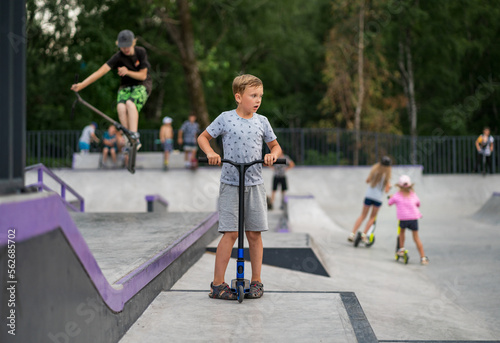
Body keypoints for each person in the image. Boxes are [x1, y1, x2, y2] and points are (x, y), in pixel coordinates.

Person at [197, 74, 282, 300]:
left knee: (254, 234)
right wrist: (211, 153)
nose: (258, 100)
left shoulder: (262, 121)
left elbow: (275, 147)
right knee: (231, 232)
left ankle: (256, 281)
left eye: (260, 96)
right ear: (238, 97)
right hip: (231, 183)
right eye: (253, 95)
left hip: (254, 183)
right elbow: (203, 138)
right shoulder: (225, 119)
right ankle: (217, 284)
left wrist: (272, 156)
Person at [71, 29, 152, 150]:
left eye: (127, 46)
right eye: (122, 47)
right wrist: (82, 85)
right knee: (120, 107)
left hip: (142, 85)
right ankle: (127, 137)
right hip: (125, 87)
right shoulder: (118, 57)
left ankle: (134, 135)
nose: (125, 49)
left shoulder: (141, 52)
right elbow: (100, 71)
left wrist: (127, 71)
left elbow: (143, 75)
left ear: (133, 43)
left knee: (130, 104)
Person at [348, 156, 392, 243]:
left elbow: (367, 181)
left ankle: (352, 234)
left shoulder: (374, 171)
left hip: (369, 196)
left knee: (363, 215)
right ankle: (364, 235)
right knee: (372, 217)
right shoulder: (386, 176)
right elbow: (386, 191)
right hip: (377, 199)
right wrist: (389, 187)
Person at [388, 175, 429, 265]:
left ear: (399, 186)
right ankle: (423, 258)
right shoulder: (413, 194)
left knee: (402, 233)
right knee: (416, 238)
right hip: (413, 218)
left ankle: (401, 249)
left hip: (403, 219)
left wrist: (391, 197)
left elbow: (389, 203)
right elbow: (418, 204)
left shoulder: (397, 195)